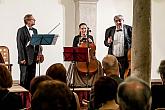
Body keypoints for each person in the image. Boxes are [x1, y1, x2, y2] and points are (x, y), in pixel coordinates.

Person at [16, 14, 44, 90]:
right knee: (24, 78)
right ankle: (23, 96)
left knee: (32, 78)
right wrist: (22, 58)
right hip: (25, 58)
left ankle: (31, 95)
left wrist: (39, 53)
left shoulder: (35, 30)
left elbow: (37, 43)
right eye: (33, 19)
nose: (34, 20)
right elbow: (20, 45)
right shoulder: (21, 30)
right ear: (27, 21)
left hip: (34, 58)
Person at [104, 15, 132, 79]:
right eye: (116, 21)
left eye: (120, 20)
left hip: (125, 57)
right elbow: (105, 43)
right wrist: (108, 42)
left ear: (123, 21)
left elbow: (133, 42)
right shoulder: (109, 30)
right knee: (112, 76)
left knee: (123, 76)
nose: (118, 22)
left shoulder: (129, 29)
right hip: (113, 57)